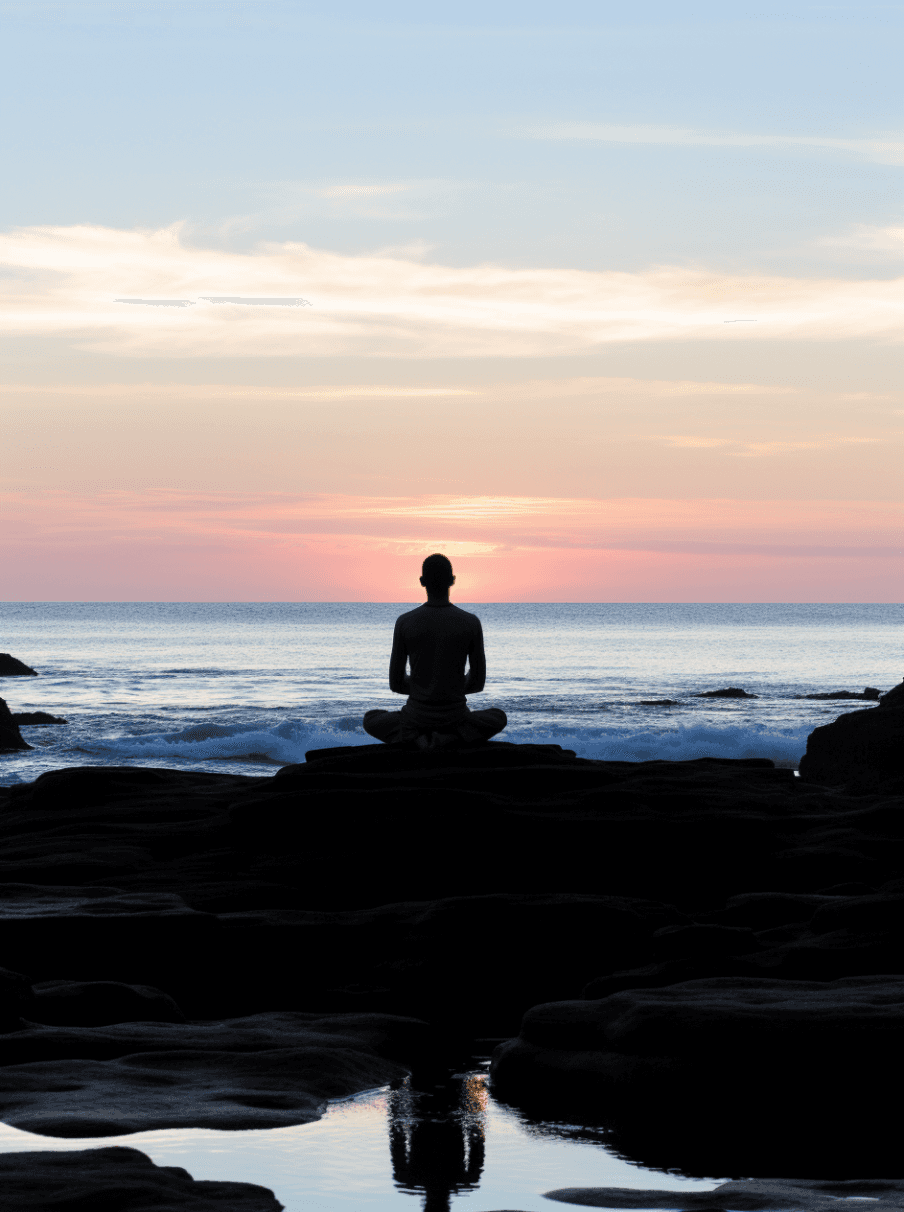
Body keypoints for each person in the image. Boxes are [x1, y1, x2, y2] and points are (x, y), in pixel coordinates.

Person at [363, 554, 507, 749]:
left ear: (422, 582)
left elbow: (396, 683)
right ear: (452, 580)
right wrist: (449, 688)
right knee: (498, 716)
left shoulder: (405, 622)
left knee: (370, 719)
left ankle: (416, 739)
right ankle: (452, 737)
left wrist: (424, 689)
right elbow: (477, 682)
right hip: (456, 718)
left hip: (416, 718)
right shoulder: (470, 622)